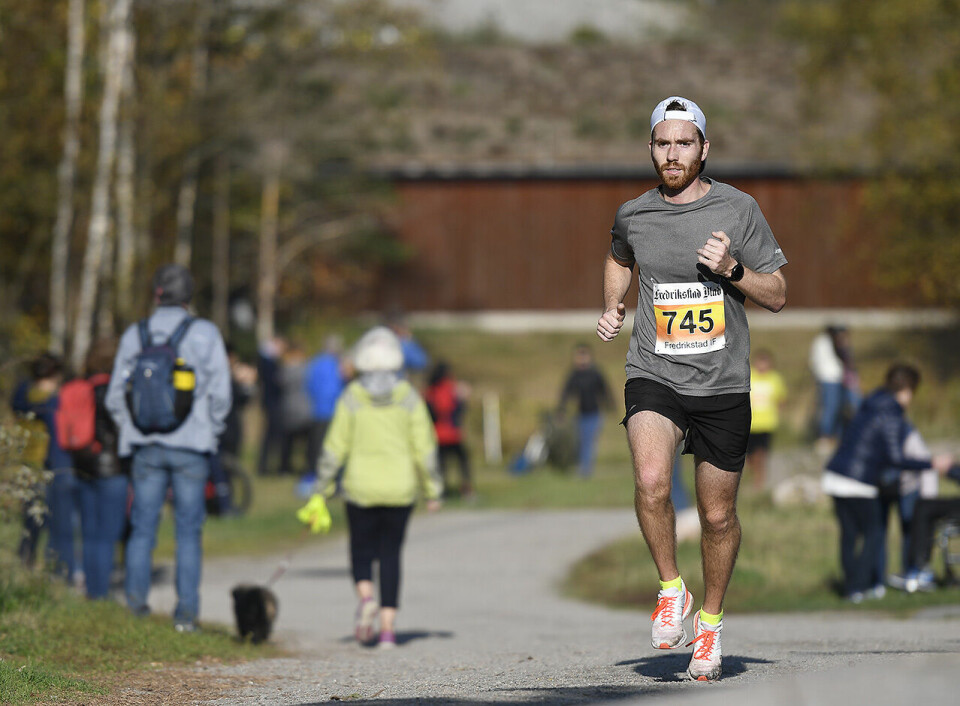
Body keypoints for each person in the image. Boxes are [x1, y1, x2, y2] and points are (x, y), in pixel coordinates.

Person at [596, 96, 788, 681]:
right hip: (653, 369)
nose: (672, 154)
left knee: (717, 514)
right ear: (651, 149)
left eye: (684, 143)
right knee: (652, 482)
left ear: (704, 148)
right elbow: (618, 258)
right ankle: (671, 588)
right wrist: (613, 304)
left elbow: (778, 293)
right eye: (662, 143)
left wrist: (733, 270)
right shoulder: (634, 213)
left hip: (723, 383)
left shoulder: (740, 207)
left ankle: (709, 624)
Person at [106, 263, 231, 632]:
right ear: (188, 295)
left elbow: (116, 395)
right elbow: (221, 394)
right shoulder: (205, 332)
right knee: (188, 532)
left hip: (145, 446)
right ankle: (186, 617)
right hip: (192, 445)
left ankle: (135, 609)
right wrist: (210, 429)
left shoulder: (135, 334)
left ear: (156, 293)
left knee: (142, 528)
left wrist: (132, 428)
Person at [310, 326, 442, 648]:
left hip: (360, 489)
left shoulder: (351, 397)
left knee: (361, 550)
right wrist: (433, 489)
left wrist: (322, 487)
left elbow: (334, 448)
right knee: (391, 554)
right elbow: (425, 448)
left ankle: (366, 597)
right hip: (400, 489)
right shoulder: (409, 398)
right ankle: (387, 630)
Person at [821, 364, 952, 603]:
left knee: (849, 535)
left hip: (835, 475)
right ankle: (860, 587)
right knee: (873, 532)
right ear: (908, 390)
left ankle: (850, 588)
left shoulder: (870, 402)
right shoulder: (892, 412)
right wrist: (931, 463)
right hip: (858, 481)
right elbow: (896, 458)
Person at [73, 338, 129, 600]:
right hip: (111, 470)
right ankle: (101, 594)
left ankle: (91, 591)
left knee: (90, 535)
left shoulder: (80, 388)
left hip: (82, 467)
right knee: (107, 536)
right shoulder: (115, 391)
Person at [11, 353, 76, 579]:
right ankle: (56, 570)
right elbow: (60, 436)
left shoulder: (22, 393)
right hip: (48, 465)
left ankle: (25, 561)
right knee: (52, 520)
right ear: (55, 374)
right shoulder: (52, 401)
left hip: (25, 464)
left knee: (31, 519)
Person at [557, 344, 613, 478]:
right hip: (580, 414)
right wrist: (561, 409)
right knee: (580, 442)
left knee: (589, 441)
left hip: (594, 414)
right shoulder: (574, 375)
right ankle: (582, 466)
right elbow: (566, 393)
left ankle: (585, 470)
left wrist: (611, 406)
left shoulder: (595, 373)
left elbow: (605, 391)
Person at [425, 361, 473, 498]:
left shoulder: (430, 390)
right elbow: (459, 410)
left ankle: (440, 492)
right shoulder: (452, 388)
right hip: (452, 434)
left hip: (437, 434)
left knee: (440, 466)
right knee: (463, 463)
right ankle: (467, 490)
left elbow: (429, 413)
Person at [809, 325, 859, 455]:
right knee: (831, 408)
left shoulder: (833, 342)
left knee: (839, 409)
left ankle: (837, 437)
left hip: (840, 379)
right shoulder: (825, 342)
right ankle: (826, 437)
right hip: (830, 379)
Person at [304, 334, 347, 474]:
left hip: (318, 409)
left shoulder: (315, 363)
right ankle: (329, 472)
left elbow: (309, 386)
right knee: (332, 444)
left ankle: (315, 471)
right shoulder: (337, 364)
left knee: (317, 445)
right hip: (332, 410)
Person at [746, 349, 787, 491]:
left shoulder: (775, 379)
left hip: (767, 424)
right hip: (749, 424)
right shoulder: (749, 376)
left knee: (762, 454)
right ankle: (751, 476)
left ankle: (759, 482)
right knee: (749, 455)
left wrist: (780, 413)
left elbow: (781, 399)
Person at [277, 342, 314, 477]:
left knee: (289, 442)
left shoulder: (286, 368)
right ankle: (303, 467)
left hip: (291, 408)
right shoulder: (307, 368)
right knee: (301, 442)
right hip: (303, 409)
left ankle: (285, 468)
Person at [256, 336, 287, 476]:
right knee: (270, 436)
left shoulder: (268, 360)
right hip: (271, 403)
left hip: (271, 402)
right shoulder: (268, 361)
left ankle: (265, 465)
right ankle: (264, 466)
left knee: (271, 436)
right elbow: (273, 383)